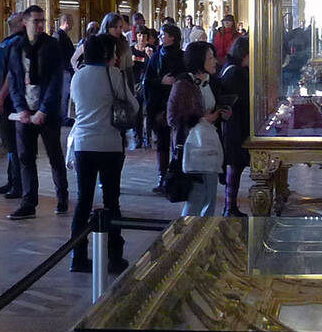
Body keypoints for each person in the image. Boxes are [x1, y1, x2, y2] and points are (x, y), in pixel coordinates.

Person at [68, 33, 134, 275]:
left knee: (83, 201)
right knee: (111, 201)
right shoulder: (112, 74)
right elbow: (133, 105)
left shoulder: (78, 76)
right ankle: (115, 257)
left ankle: (78, 256)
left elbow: (74, 108)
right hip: (109, 145)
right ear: (107, 53)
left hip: (83, 145)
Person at [6, 5, 68, 219]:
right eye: (36, 21)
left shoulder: (52, 46)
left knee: (55, 156)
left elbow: (55, 81)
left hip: (47, 112)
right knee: (25, 158)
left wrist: (43, 109)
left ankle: (62, 198)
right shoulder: (16, 47)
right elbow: (13, 81)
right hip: (24, 111)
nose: (41, 25)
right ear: (25, 22)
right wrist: (21, 108)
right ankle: (28, 202)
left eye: (43, 20)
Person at [169, 40, 227, 217]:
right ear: (198, 60)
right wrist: (199, 118)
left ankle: (204, 237)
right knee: (196, 197)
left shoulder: (213, 82)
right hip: (192, 146)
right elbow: (172, 118)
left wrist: (224, 112)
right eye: (209, 58)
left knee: (210, 197)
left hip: (211, 145)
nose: (214, 61)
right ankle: (186, 237)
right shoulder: (183, 84)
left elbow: (220, 102)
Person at [0, 9, 28, 197]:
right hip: (4, 100)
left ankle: (18, 184)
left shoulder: (18, 42)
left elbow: (12, 74)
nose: (14, 12)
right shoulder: (9, 41)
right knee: (10, 144)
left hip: (10, 101)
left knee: (14, 143)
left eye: (19, 15)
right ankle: (12, 180)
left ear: (22, 23)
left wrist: (0, 98)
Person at [143, 24, 186, 190]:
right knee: (162, 142)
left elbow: (187, 76)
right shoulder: (156, 57)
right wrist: (161, 81)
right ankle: (162, 176)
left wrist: (177, 81)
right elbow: (147, 80)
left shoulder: (182, 57)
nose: (160, 37)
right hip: (160, 105)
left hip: (178, 106)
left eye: (163, 34)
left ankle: (176, 176)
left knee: (178, 142)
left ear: (172, 37)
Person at [214, 36, 251, 216]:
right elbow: (241, 100)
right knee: (235, 166)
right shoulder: (236, 72)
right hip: (235, 125)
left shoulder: (231, 68)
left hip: (234, 124)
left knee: (236, 166)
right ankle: (230, 207)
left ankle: (230, 206)